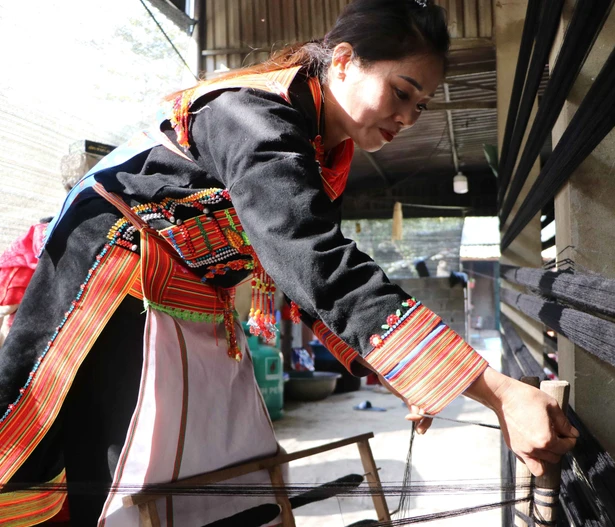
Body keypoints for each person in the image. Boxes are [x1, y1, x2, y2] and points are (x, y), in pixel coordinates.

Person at [0, 0, 577, 525]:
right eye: (401, 92)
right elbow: (316, 263)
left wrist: (405, 371)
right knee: (103, 465)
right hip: (113, 288)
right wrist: (499, 391)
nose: (408, 117)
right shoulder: (252, 116)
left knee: (220, 461)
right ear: (345, 60)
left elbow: (312, 271)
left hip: (188, 298)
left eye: (420, 105)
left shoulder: (325, 153)